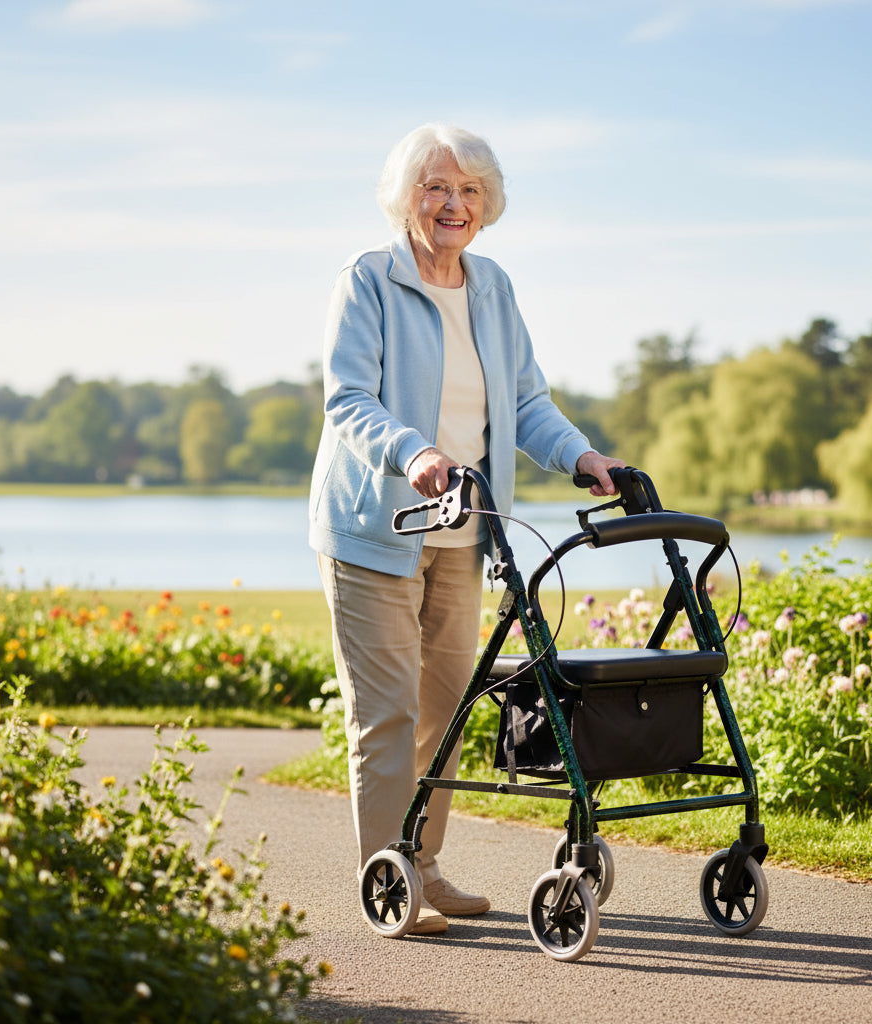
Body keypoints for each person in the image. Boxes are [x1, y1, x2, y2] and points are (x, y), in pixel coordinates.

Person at [308, 123, 624, 935]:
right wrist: (411, 452)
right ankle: (388, 877)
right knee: (386, 713)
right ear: (406, 197)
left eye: (470, 191)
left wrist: (582, 456)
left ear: (486, 206)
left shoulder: (493, 286)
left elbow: (524, 403)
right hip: (377, 525)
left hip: (464, 529)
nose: (454, 204)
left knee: (446, 711)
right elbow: (348, 400)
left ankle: (423, 862)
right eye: (437, 188)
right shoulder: (368, 278)